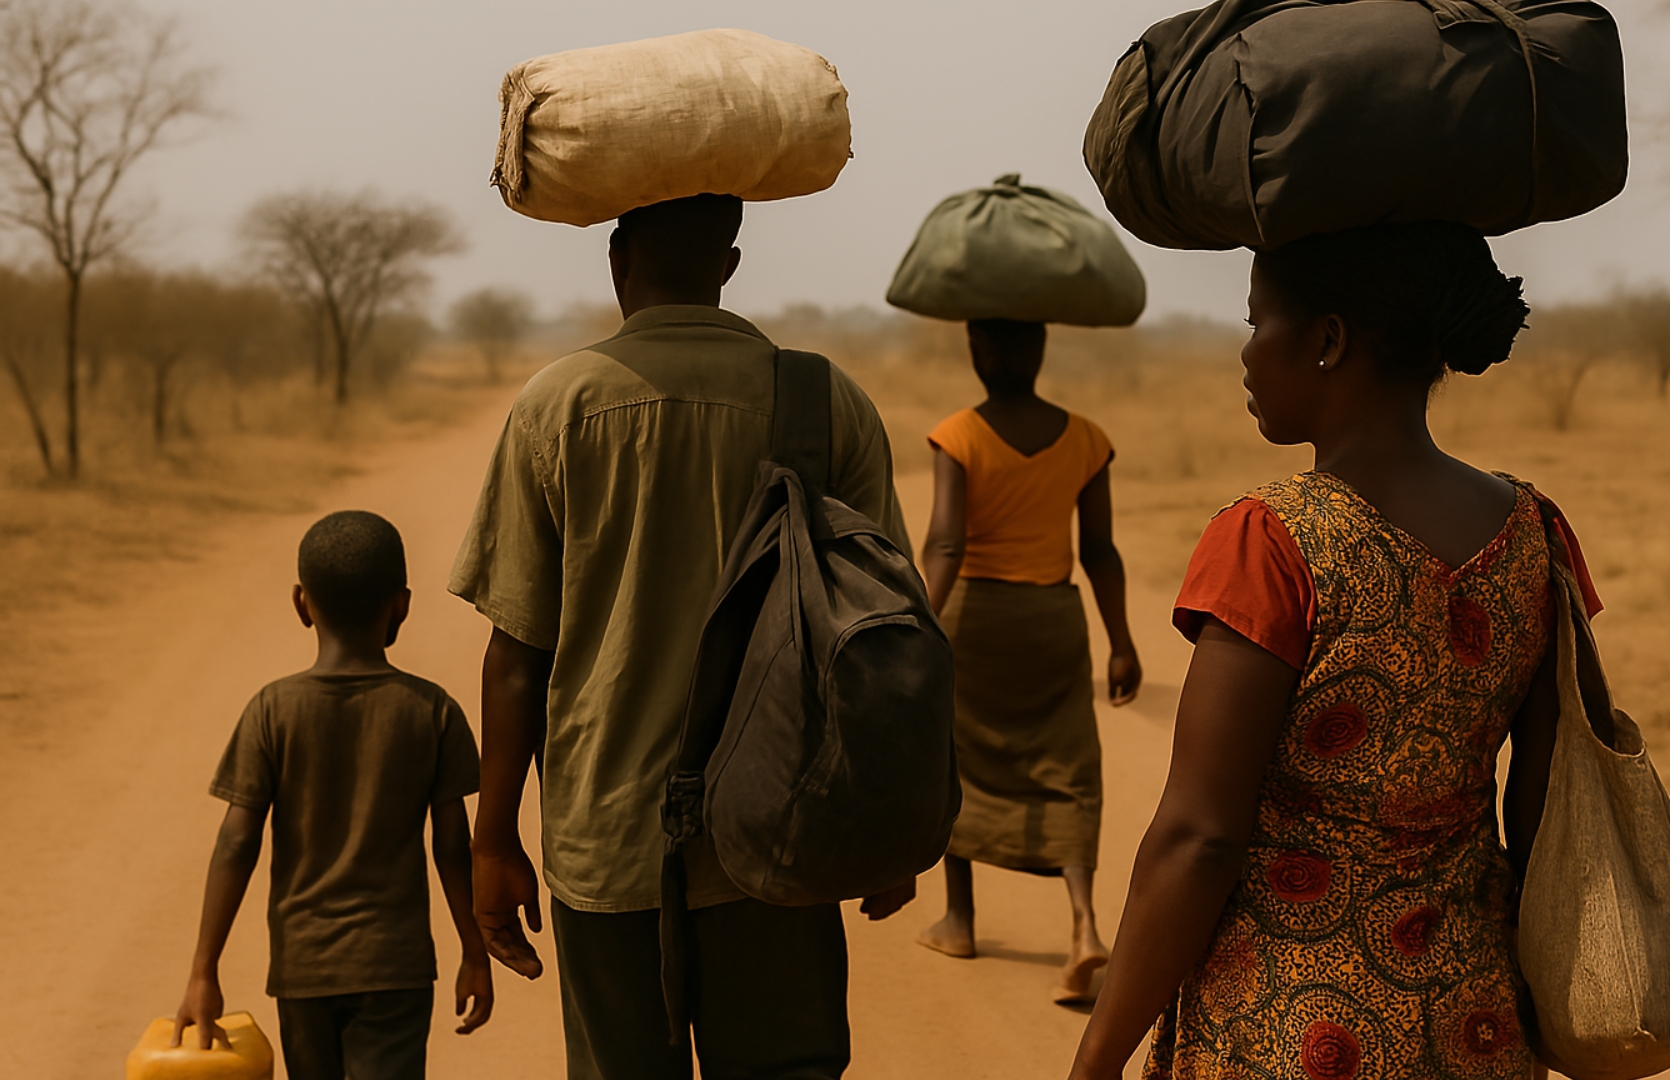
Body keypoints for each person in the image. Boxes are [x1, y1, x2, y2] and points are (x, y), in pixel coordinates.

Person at [1066, 221, 1607, 1080]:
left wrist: (1093, 1062)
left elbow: (1199, 840)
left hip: (1287, 1030)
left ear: (1327, 339)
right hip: (1474, 1026)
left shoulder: (1271, 541)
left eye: (1256, 324)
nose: (1245, 355)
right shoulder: (1535, 534)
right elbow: (1541, 814)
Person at [450, 193, 917, 1080]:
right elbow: (887, 643)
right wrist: (888, 831)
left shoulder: (559, 406)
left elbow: (516, 657)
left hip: (606, 839)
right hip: (784, 833)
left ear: (618, 261)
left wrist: (494, 840)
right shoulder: (824, 400)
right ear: (729, 267)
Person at [172, 510, 491, 1080]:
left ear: (302, 603)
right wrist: (473, 949)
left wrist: (204, 971)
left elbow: (236, 842)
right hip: (396, 967)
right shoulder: (432, 711)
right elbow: (452, 845)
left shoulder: (272, 711)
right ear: (402, 605)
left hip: (304, 968)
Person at [914, 317, 1143, 1004]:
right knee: (1068, 765)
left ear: (975, 350)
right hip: (1052, 619)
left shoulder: (958, 436)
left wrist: (920, 624)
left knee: (957, 757)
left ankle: (960, 920)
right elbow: (1098, 550)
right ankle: (1082, 928)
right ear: (1040, 347)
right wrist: (1122, 640)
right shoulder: (1085, 440)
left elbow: (947, 546)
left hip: (972, 620)